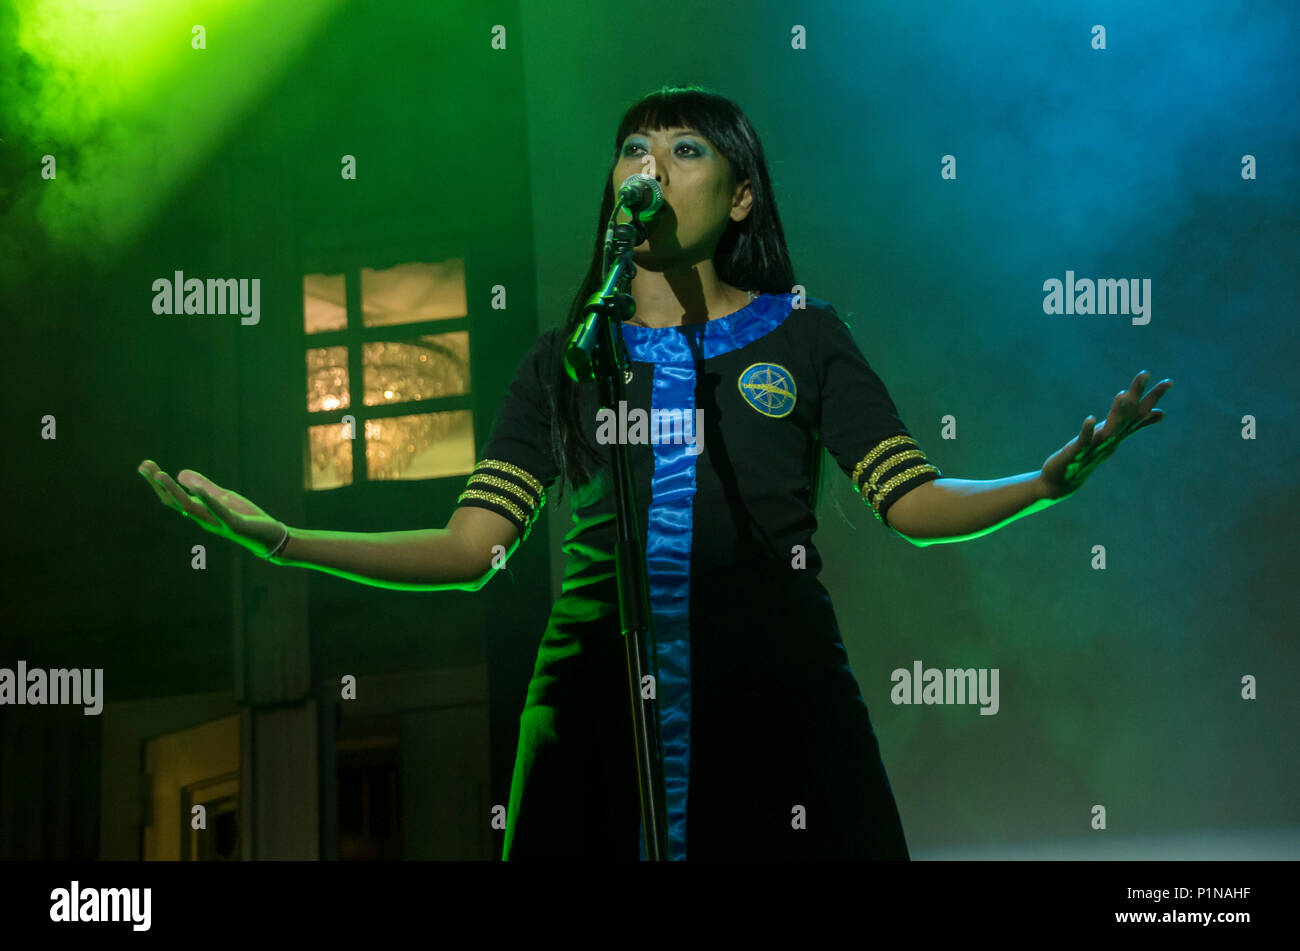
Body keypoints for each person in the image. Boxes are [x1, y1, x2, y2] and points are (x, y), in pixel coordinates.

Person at [137, 84, 1172, 861]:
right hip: (589, 688)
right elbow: (469, 551)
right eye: (635, 148)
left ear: (738, 196)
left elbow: (911, 502)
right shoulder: (569, 358)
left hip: (771, 682)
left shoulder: (806, 339)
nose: (652, 164)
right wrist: (280, 539)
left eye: (684, 149)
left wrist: (1043, 483)